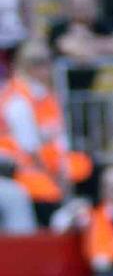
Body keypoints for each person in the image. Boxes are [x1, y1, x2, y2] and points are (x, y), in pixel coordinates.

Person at [0, 40, 94, 224]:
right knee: (51, 196)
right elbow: (30, 148)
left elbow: (58, 137)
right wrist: (58, 177)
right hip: (24, 171)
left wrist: (62, 167)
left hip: (53, 165)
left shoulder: (46, 95)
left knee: (89, 169)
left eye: (47, 61)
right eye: (37, 62)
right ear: (24, 65)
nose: (45, 68)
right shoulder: (17, 99)